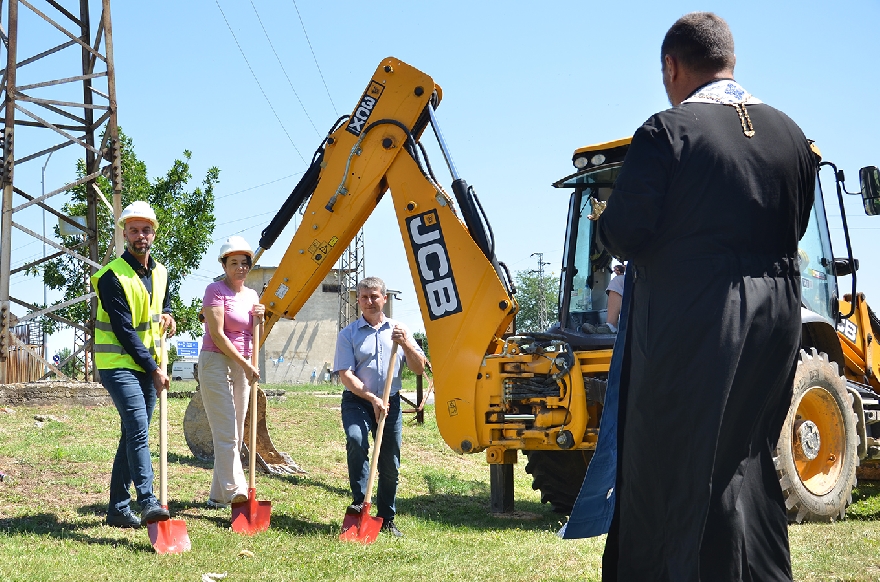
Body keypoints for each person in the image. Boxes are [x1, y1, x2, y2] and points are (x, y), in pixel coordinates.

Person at [564, 13, 816, 582]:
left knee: (670, 463)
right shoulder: (793, 137)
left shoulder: (668, 130)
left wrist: (606, 222)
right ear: (730, 60)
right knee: (745, 456)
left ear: (673, 67)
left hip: (694, 316)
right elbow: (793, 229)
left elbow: (625, 232)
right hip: (775, 316)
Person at [92, 201, 177, 528]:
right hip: (118, 363)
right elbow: (124, 331)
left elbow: (161, 301)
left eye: (146, 230)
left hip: (147, 364)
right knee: (139, 431)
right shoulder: (111, 277)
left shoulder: (160, 272)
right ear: (124, 233)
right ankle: (148, 500)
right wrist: (155, 369)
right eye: (134, 230)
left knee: (131, 435)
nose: (140, 235)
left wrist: (168, 312)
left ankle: (117, 508)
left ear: (153, 233)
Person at [333, 277, 425, 537]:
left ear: (385, 298)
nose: (370, 302)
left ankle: (386, 518)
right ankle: (360, 503)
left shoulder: (399, 329)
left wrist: (406, 343)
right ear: (358, 301)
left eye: (375, 296)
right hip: (358, 400)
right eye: (364, 297)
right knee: (356, 438)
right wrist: (373, 398)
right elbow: (346, 375)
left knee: (389, 462)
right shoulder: (348, 334)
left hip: (391, 402)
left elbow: (419, 368)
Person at [198, 236, 264, 509]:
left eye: (244, 263)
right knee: (226, 432)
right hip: (216, 362)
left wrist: (260, 320)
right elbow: (218, 334)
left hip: (243, 365)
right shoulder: (215, 291)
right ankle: (236, 489)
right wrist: (246, 364)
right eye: (233, 263)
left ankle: (217, 495)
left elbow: (252, 337)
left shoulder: (251, 296)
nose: (239, 268)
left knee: (236, 430)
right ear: (224, 265)